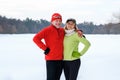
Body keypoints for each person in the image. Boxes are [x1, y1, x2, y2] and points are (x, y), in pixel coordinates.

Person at [33, 13, 64, 80]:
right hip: (51, 60)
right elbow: (35, 38)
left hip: (61, 60)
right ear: (52, 21)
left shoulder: (62, 30)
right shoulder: (47, 30)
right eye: (56, 21)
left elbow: (71, 30)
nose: (58, 22)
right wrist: (45, 48)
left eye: (59, 21)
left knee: (57, 78)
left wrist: (79, 31)